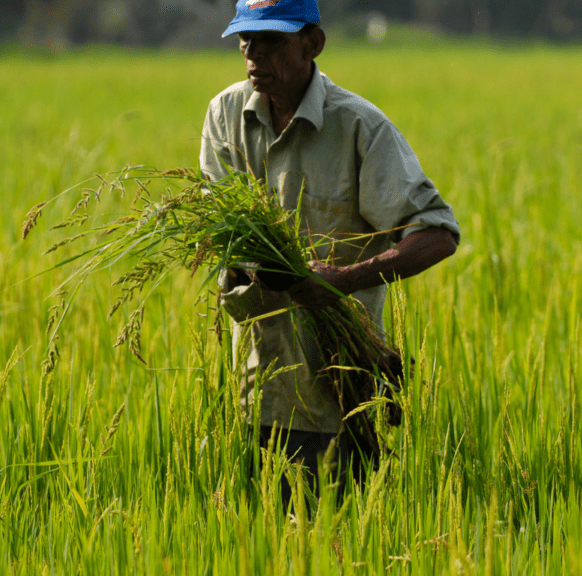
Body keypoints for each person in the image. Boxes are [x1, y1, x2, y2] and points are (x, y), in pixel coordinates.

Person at [199, 0, 460, 506]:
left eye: (272, 41)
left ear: (312, 44)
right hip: (256, 387)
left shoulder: (360, 127)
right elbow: (218, 228)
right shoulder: (225, 115)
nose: (254, 55)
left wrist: (343, 278)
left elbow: (437, 234)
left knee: (345, 540)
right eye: (246, 42)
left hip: (341, 389)